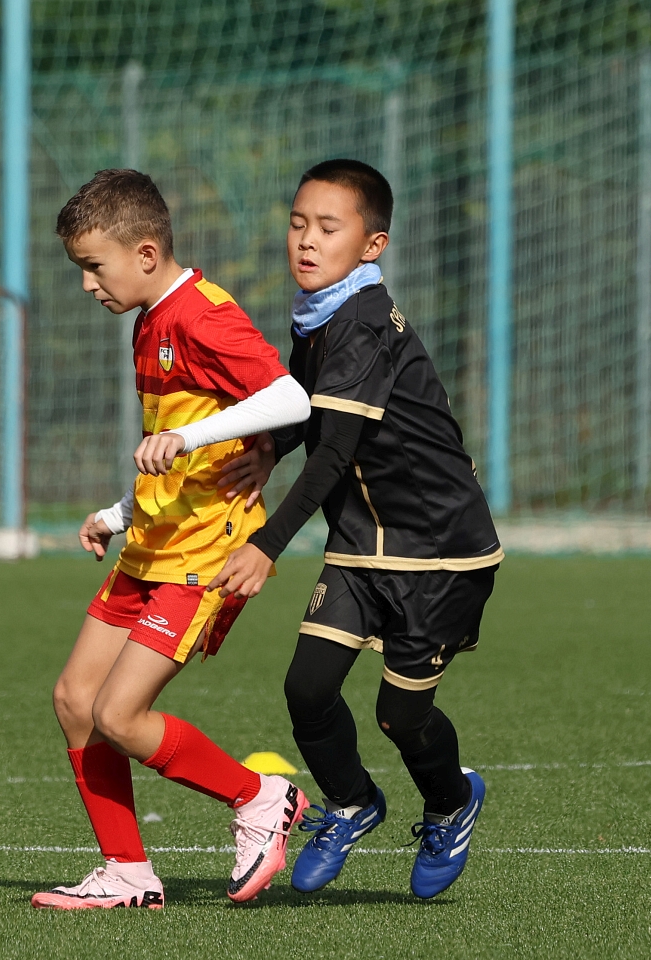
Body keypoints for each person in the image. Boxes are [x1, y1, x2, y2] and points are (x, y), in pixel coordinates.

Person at [207, 159, 503, 900]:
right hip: (362, 541)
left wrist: (265, 545)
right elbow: (317, 414)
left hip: (439, 551)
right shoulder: (321, 313)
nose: (306, 240)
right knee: (307, 690)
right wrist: (272, 448)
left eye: (327, 228)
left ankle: (450, 802)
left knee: (400, 715)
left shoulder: (363, 324)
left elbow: (336, 453)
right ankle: (351, 803)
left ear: (372, 246)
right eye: (297, 223)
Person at [32, 168, 313, 909]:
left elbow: (290, 398)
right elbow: (176, 450)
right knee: (75, 699)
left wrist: (193, 435)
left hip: (202, 556)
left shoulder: (201, 315)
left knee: (118, 716)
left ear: (146, 253)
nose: (88, 283)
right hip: (153, 542)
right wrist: (120, 513)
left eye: (94, 266)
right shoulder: (148, 321)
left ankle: (260, 797)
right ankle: (127, 872)